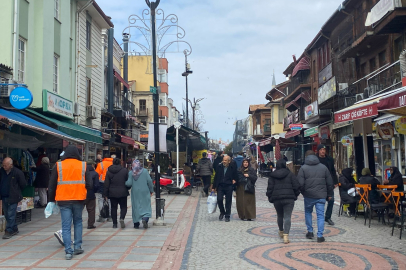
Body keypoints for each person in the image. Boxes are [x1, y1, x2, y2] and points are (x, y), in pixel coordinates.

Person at [48, 145, 92, 260]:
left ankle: (68, 251)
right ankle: (77, 246)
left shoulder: (58, 165)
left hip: (63, 200)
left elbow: (52, 185)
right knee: (78, 222)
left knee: (66, 226)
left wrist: (51, 200)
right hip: (79, 199)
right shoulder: (83, 165)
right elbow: (90, 184)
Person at [297, 150, 333, 243]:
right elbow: (329, 183)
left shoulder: (303, 168)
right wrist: (329, 194)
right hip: (321, 196)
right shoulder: (323, 167)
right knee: (320, 215)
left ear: (306, 157)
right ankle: (320, 236)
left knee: (308, 212)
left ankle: (310, 231)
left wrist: (304, 192)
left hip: (309, 195)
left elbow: (300, 184)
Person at [266, 159, 300, 244]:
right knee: (287, 216)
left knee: (280, 215)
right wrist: (295, 195)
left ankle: (281, 231)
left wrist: (270, 197)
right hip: (289, 198)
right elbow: (296, 186)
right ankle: (286, 235)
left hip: (277, 198)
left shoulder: (272, 175)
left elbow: (270, 188)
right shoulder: (290, 174)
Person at [0, 157, 27, 239]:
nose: (4, 167)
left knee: (11, 214)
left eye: (6, 165)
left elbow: (23, 184)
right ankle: (14, 228)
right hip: (4, 196)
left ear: (11, 165)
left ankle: (9, 230)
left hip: (13, 197)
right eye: (3, 165)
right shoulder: (1, 172)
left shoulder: (17, 172)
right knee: (7, 215)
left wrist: (17, 193)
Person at [126, 160, 154, 229]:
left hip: (135, 192)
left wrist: (124, 183)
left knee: (136, 206)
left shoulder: (131, 173)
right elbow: (149, 181)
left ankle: (136, 223)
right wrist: (151, 190)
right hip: (145, 191)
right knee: (146, 205)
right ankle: (145, 219)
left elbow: (129, 183)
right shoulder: (144, 171)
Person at [103, 158, 129, 229]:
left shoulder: (109, 171)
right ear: (120, 162)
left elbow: (106, 184)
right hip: (123, 192)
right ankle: (122, 218)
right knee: (123, 207)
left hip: (112, 193)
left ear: (113, 162)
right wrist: (127, 189)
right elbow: (128, 181)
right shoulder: (124, 170)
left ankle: (114, 223)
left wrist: (105, 194)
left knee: (113, 208)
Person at [317, 144, 338, 226]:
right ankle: (320, 217)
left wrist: (335, 181)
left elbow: (333, 171)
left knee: (331, 200)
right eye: (321, 149)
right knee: (319, 201)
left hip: (329, 183)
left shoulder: (329, 159)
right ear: (318, 151)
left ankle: (328, 217)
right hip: (319, 183)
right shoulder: (316, 159)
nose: (323, 151)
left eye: (324, 149)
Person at [212, 155, 238, 222]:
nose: (224, 161)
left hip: (229, 185)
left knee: (228, 201)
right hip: (220, 185)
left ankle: (227, 215)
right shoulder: (219, 166)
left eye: (225, 160)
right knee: (219, 199)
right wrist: (213, 187)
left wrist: (235, 180)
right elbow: (216, 177)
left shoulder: (232, 167)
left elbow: (236, 175)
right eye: (223, 160)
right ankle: (222, 211)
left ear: (229, 161)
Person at [95, 154, 115, 222]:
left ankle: (102, 215)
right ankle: (110, 216)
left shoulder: (101, 164)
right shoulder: (113, 163)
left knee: (100, 199)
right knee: (109, 199)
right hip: (111, 183)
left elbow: (97, 173)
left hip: (102, 183)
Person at [85, 159, 99, 229]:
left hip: (82, 193)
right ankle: (90, 224)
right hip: (90, 193)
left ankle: (76, 222)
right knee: (91, 210)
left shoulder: (82, 172)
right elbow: (96, 185)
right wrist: (94, 191)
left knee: (79, 209)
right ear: (93, 165)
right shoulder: (95, 173)